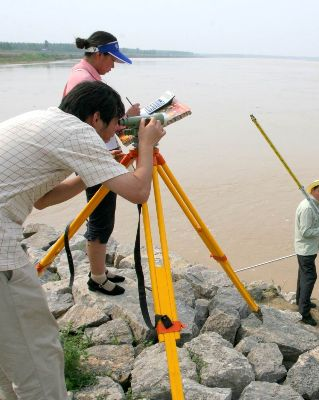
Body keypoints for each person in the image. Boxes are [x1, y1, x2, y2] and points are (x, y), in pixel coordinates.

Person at [0, 81, 164, 400]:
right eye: (113, 125)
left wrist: (97, 169)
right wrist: (146, 144)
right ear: (95, 117)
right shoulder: (78, 132)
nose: (111, 135)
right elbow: (139, 191)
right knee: (36, 353)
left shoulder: (45, 121)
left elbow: (44, 199)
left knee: (9, 356)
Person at [63, 31, 141, 295]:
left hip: (101, 155)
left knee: (103, 215)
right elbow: (85, 125)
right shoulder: (83, 79)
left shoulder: (86, 76)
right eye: (111, 61)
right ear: (99, 54)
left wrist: (121, 118)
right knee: (100, 217)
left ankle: (99, 270)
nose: (112, 67)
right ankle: (96, 278)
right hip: (95, 158)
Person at [294, 179, 319, 326]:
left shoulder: (313, 204)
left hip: (306, 248)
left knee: (303, 275)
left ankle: (301, 300)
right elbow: (305, 232)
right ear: (312, 191)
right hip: (305, 249)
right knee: (310, 277)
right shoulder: (308, 208)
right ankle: (304, 313)